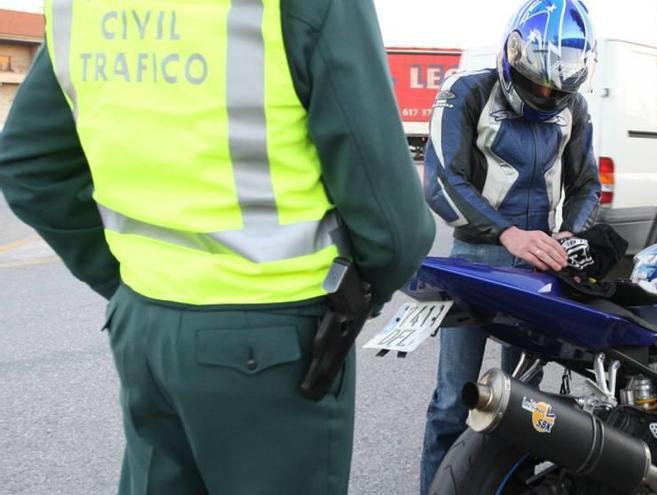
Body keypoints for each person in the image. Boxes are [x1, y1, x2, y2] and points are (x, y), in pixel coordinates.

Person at [0, 0, 434, 493]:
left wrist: (127, 282)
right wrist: (361, 294)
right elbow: (394, 225)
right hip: (273, 334)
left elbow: (28, 164)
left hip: (144, 321)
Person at [419, 0, 601, 491]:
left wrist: (571, 232)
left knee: (522, 403)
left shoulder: (575, 108)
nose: (545, 93)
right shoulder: (466, 91)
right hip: (476, 260)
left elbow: (588, 185)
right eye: (537, 81)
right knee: (452, 399)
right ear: (511, 53)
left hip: (540, 262)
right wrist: (506, 232)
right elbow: (441, 182)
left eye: (556, 86)